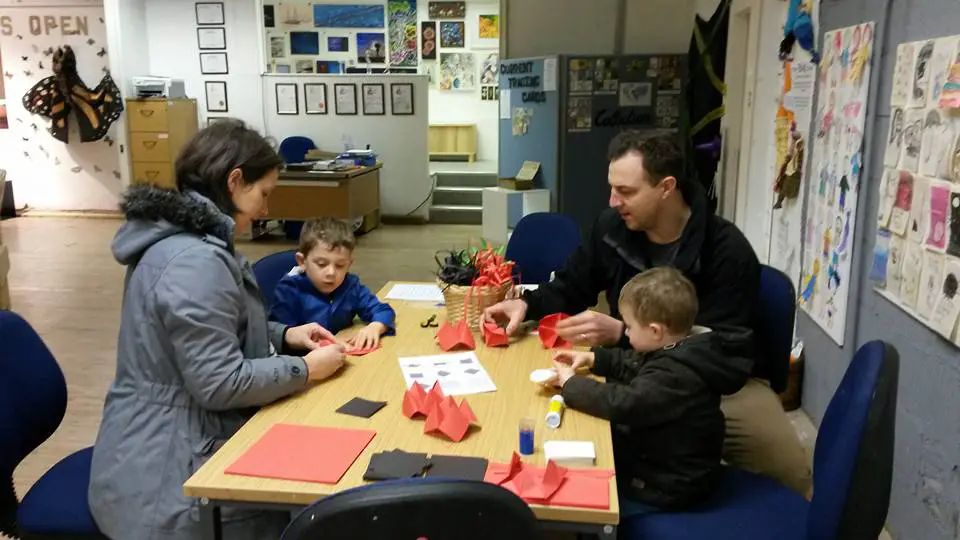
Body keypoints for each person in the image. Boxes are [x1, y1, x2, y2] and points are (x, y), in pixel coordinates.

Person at [484, 132, 812, 496]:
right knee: (562, 434)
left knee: (793, 476)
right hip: (634, 367)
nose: (613, 201)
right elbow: (571, 285)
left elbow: (727, 359)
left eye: (626, 192)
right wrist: (527, 304)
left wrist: (623, 334)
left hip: (718, 386)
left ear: (666, 187)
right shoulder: (612, 228)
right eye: (612, 188)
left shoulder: (726, 250)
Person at [89, 120, 348, 540]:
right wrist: (306, 370)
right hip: (171, 482)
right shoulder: (194, 261)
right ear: (234, 181)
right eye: (263, 194)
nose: (265, 210)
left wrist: (284, 336)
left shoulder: (188, 244)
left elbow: (210, 334)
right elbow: (220, 382)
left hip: (170, 444)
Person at [548, 268, 752, 513]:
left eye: (630, 327)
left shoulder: (676, 374)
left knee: (584, 480)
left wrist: (571, 384)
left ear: (655, 331)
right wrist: (594, 359)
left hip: (669, 483)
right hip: (667, 460)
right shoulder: (681, 347)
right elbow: (634, 363)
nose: (626, 332)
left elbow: (623, 403)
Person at [270, 217, 395, 349]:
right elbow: (280, 338)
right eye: (321, 264)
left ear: (349, 264)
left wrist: (375, 327)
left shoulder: (350, 286)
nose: (331, 272)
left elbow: (382, 310)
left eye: (340, 265)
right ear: (302, 261)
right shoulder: (289, 290)